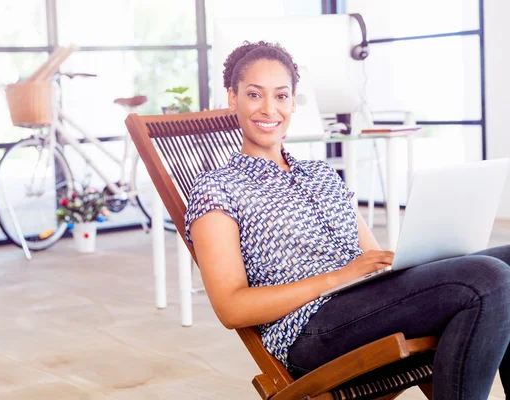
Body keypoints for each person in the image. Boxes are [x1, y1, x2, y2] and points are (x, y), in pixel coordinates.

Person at [184, 40, 510, 399]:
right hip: (312, 329)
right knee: (489, 278)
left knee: (505, 263)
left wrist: (421, 261)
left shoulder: (321, 174)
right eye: (254, 94)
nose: (269, 109)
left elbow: (372, 260)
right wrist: (338, 277)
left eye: (280, 96)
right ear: (232, 98)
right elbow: (231, 307)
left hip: (367, 304)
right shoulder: (218, 188)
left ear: (293, 102)